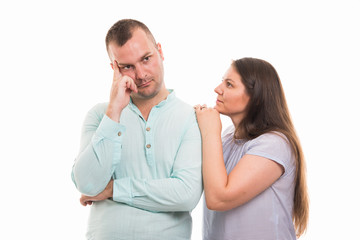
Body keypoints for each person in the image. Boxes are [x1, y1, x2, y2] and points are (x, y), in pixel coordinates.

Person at [71, 19, 202, 240]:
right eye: (128, 66)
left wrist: (113, 189)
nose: (141, 75)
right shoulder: (100, 116)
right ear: (115, 68)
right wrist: (114, 111)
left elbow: (185, 194)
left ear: (160, 51)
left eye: (146, 59)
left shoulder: (191, 117)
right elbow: (87, 183)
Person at [195, 57, 309, 240]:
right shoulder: (227, 137)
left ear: (256, 98)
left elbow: (219, 198)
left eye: (229, 84)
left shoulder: (274, 144)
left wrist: (210, 132)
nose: (218, 89)